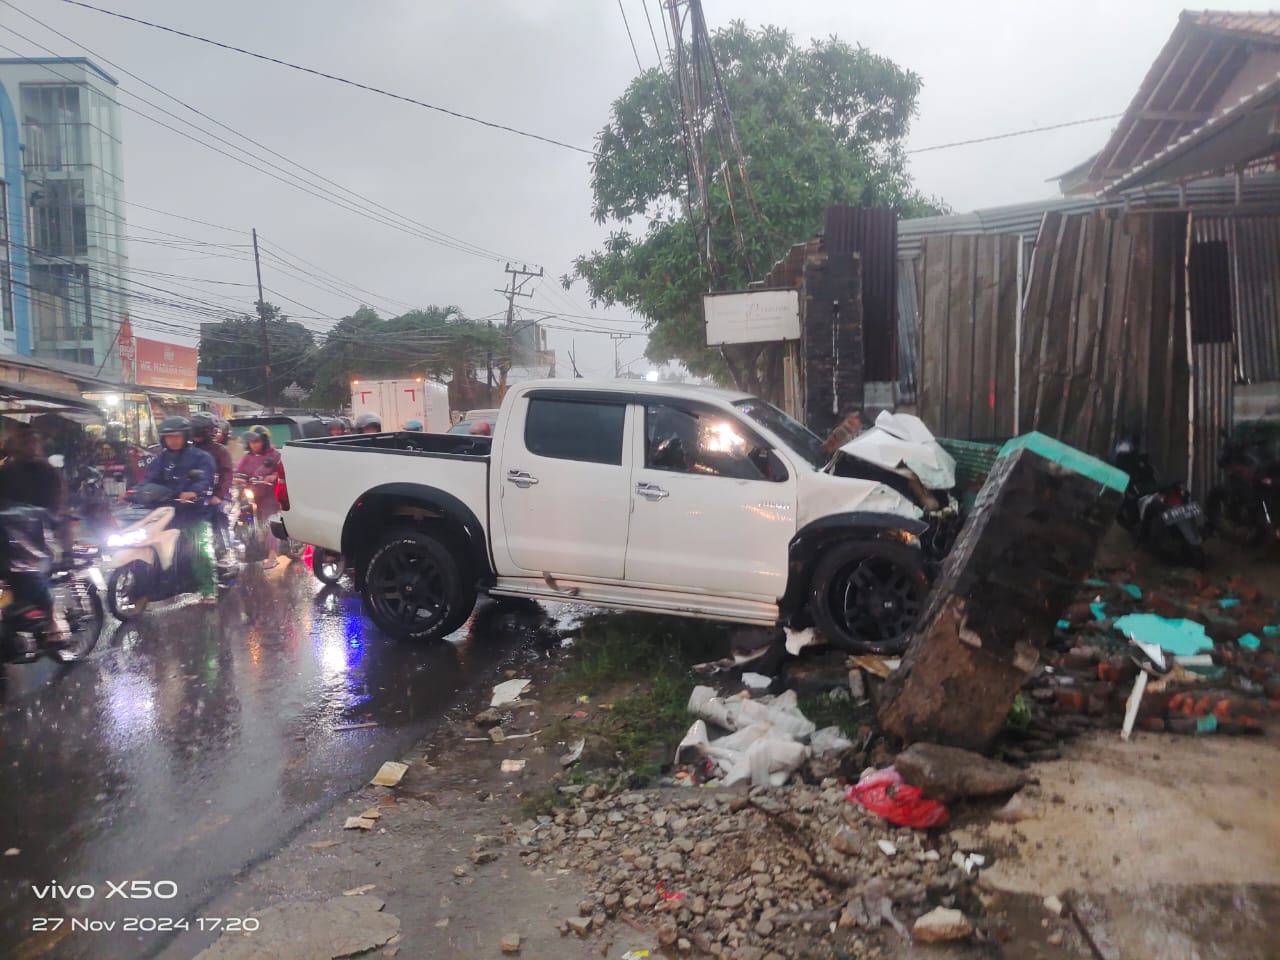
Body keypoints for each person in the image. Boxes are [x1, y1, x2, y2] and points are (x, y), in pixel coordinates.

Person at [0, 427, 70, 640]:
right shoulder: (6, 471)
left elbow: (56, 505)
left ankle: (52, 620)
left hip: (40, 537)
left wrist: (43, 520)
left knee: (28, 575)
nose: (27, 447)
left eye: (30, 442)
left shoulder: (47, 471)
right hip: (9, 536)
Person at [143, 416, 219, 603]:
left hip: (193, 513)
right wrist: (136, 491)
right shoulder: (161, 459)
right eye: (169, 437)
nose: (174, 441)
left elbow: (205, 479)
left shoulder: (201, 457)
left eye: (177, 436)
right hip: (166, 512)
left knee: (199, 549)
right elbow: (150, 479)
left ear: (186, 437)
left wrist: (193, 492)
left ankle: (208, 589)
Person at [233, 425, 282, 568]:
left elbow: (281, 471)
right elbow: (238, 471)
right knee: (242, 517)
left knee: (269, 524)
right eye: (251, 442)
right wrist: (235, 477)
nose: (254, 445)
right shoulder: (247, 457)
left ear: (264, 441)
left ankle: (273, 555)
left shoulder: (274, 455)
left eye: (257, 441)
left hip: (269, 496)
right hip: (251, 494)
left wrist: (273, 476)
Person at [191, 412, 234, 571]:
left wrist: (218, 495)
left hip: (217, 496)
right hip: (195, 495)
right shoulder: (188, 450)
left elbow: (227, 475)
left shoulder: (220, 451)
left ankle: (224, 551)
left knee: (219, 514)